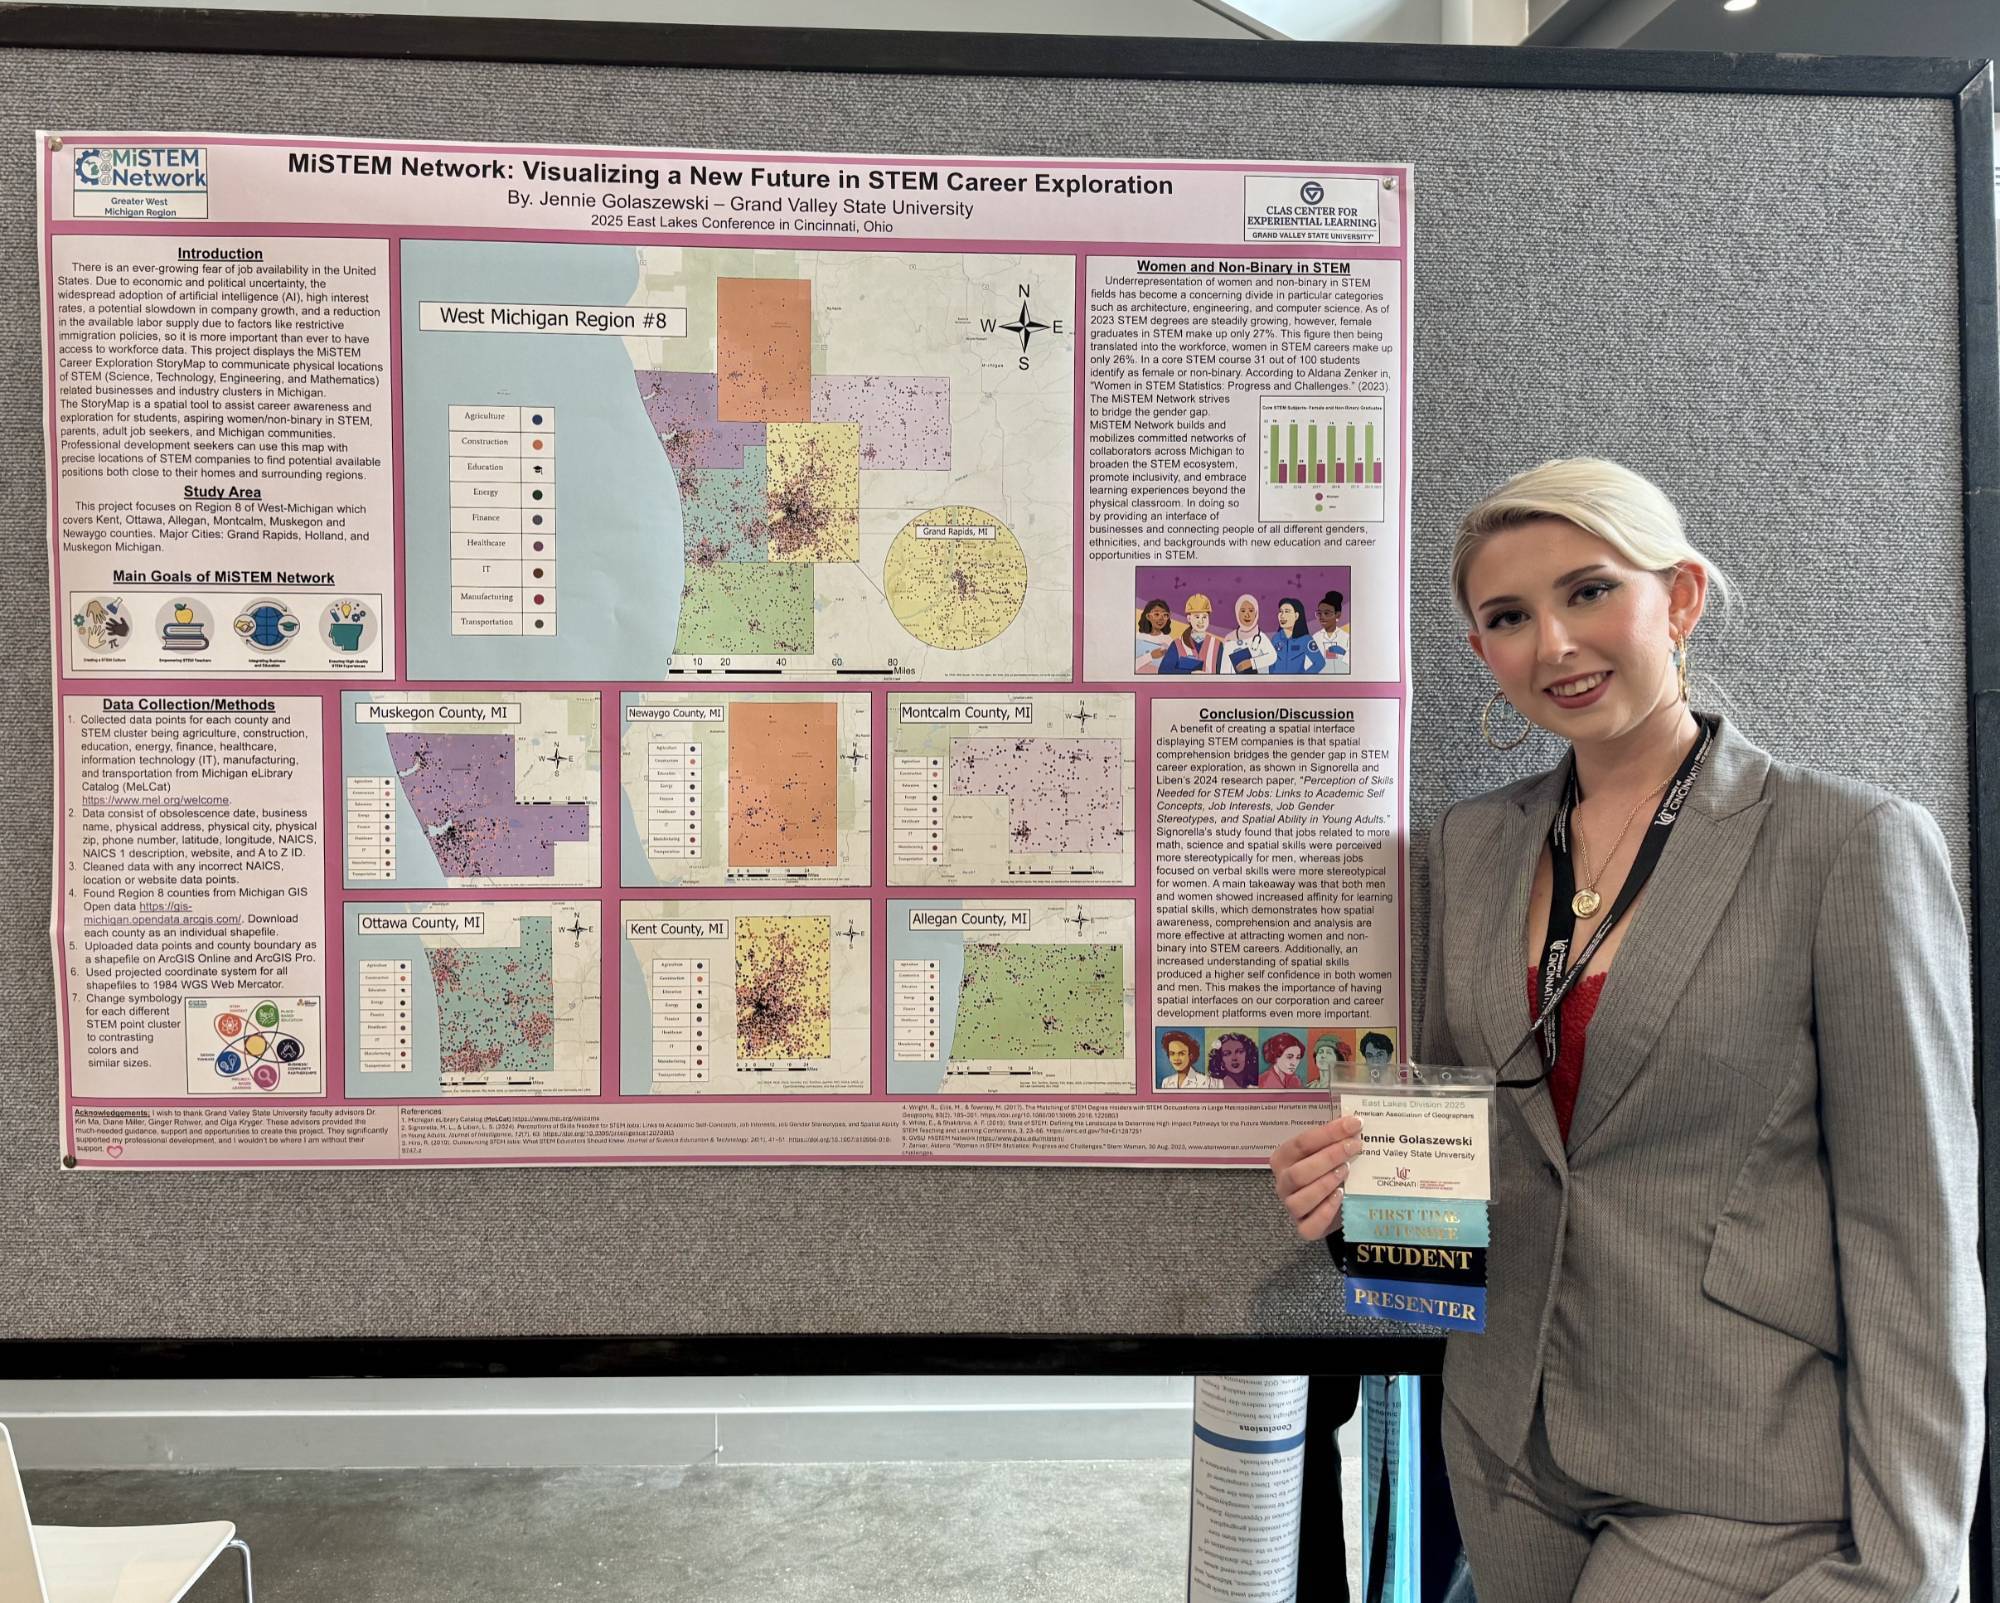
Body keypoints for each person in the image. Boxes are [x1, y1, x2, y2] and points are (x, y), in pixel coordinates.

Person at [1267, 458, 1981, 1602]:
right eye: (1508, 617)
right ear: (1479, 652)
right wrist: (1365, 1192)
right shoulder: (1473, 845)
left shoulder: (1845, 843)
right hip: (1507, 1447)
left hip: (1730, 1466)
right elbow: (1496, 1142)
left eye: (1588, 591)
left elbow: (1914, 1231)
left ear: (1680, 597)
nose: (1552, 643)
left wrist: (1910, 1561)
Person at [1161, 592, 1223, 674]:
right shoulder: (1177, 644)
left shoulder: (1217, 645)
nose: (1201, 621)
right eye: (1197, 617)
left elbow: (1224, 673)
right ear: (1189, 618)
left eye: (1204, 617)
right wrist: (1189, 673)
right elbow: (1163, 672)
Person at [1269, 597, 1327, 675]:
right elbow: (1271, 664)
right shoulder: (1275, 638)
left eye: (1287, 611)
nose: (1282, 615)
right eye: (1280, 611)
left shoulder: (1306, 639)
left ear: (1296, 616)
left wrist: (1303, 679)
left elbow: (1320, 663)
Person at [1225, 594, 1277, 675]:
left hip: (1258, 684)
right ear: (1237, 612)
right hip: (1236, 684)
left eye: (1251, 610)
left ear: (1256, 613)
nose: (1247, 614)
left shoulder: (1261, 637)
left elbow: (1272, 657)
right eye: (1242, 611)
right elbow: (1225, 665)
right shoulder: (1230, 638)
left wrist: (1251, 663)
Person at [1312, 590, 1351, 674]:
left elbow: (1357, 663)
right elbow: (1310, 663)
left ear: (1338, 614)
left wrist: (1344, 653)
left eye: (1326, 613)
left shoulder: (1346, 637)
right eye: (1319, 613)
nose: (1322, 617)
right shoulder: (1315, 638)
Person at [1135, 597, 1173, 674]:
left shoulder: (1168, 641)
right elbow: (1129, 666)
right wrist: (1150, 656)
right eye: (1156, 614)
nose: (1161, 618)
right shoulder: (1138, 638)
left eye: (1165, 615)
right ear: (1148, 616)